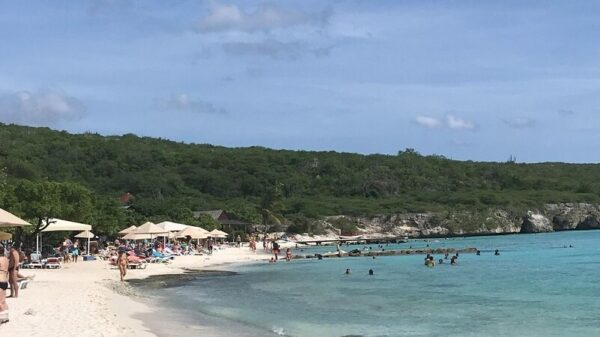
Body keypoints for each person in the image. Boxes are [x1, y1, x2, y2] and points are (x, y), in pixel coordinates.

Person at [0, 245, 9, 324]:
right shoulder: (6, 259)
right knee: (3, 301)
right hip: (5, 281)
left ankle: (2, 317)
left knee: (0, 302)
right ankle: (5, 316)